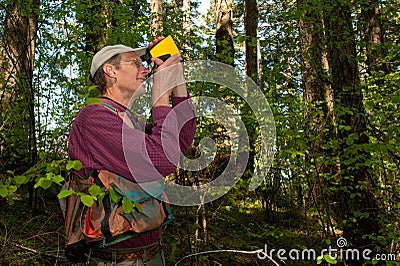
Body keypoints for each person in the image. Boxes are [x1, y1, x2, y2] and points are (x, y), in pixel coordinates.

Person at [67, 37, 196, 265]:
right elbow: (162, 161)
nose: (144, 69)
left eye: (144, 63)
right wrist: (160, 97)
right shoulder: (94, 119)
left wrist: (177, 78)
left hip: (153, 253)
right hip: (117, 260)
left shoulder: (129, 120)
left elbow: (182, 142)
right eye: (135, 63)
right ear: (110, 71)